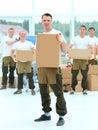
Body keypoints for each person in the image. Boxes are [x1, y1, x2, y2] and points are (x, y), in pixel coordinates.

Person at [34, 13, 67, 126]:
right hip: (42, 67)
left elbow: (65, 48)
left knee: (58, 92)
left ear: (51, 21)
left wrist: (60, 40)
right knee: (43, 91)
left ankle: (61, 116)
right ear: (41, 21)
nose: (46, 22)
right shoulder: (40, 36)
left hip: (53, 67)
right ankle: (46, 114)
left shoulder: (57, 33)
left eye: (48, 20)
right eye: (44, 20)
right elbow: (36, 51)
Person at [68, 25, 94, 95]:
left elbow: (92, 47)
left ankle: (84, 89)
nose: (82, 30)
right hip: (76, 59)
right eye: (81, 29)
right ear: (79, 30)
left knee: (85, 75)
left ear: (85, 31)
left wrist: (91, 53)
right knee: (74, 74)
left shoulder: (88, 39)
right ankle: (73, 88)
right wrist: (68, 52)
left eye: (83, 29)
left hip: (84, 60)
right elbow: (70, 46)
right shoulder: (75, 38)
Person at [10, 31, 36, 95]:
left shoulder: (29, 43)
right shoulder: (16, 44)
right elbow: (12, 52)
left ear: (26, 35)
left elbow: (34, 50)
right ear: (19, 35)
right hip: (19, 61)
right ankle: (19, 89)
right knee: (20, 76)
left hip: (28, 61)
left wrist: (32, 55)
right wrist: (14, 58)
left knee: (30, 75)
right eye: (21, 34)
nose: (23, 35)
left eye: (24, 34)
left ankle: (32, 89)